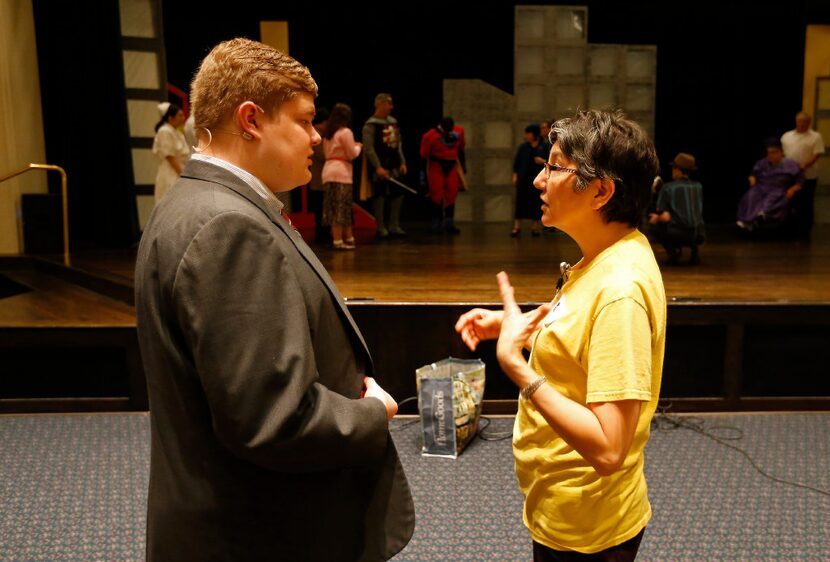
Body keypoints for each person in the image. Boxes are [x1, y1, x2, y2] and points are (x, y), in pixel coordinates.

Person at [134, 38, 414, 561]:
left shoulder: (196, 203)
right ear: (251, 119)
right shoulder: (227, 226)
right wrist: (372, 412)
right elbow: (273, 419)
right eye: (305, 120)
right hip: (257, 532)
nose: (316, 136)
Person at [456, 109, 665, 561]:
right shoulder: (607, 255)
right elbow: (584, 347)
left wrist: (517, 367)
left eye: (553, 166)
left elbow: (609, 449)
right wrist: (517, 329)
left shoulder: (620, 291)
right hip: (567, 507)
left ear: (601, 191)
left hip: (588, 524)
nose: (538, 180)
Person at [363, 93, 407, 238]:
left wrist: (402, 162)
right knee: (380, 195)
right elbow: (369, 149)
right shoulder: (370, 124)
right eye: (389, 104)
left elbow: (398, 144)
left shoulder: (393, 122)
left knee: (398, 194)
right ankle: (381, 226)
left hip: (394, 164)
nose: (391, 107)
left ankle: (394, 225)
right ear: (381, 104)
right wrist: (378, 166)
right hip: (380, 164)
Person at [737, 137, 804, 233]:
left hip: (779, 188)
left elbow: (800, 180)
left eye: (773, 152)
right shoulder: (762, 163)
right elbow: (753, 173)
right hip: (761, 187)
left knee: (774, 198)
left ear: (781, 153)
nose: (770, 155)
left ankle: (762, 214)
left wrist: (793, 189)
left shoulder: (791, 164)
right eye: (769, 152)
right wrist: (752, 178)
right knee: (750, 196)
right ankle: (747, 220)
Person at [648, 152, 705, 265]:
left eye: (674, 168)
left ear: (678, 170)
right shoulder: (698, 187)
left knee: (655, 224)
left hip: (678, 234)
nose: (673, 171)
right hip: (699, 234)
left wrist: (657, 217)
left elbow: (663, 214)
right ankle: (694, 250)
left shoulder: (668, 188)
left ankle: (673, 252)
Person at [322, 103, 362, 250]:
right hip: (342, 173)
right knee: (342, 207)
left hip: (328, 171)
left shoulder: (328, 134)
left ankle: (344, 239)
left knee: (333, 207)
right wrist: (358, 146)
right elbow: (352, 154)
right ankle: (340, 240)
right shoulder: (345, 132)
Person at [781, 112, 825, 239]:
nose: (801, 124)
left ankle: (805, 232)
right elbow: (783, 154)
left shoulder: (815, 137)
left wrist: (803, 166)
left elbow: (816, 154)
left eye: (804, 121)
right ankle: (788, 229)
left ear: (809, 122)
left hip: (808, 176)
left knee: (806, 204)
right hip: (789, 176)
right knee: (789, 202)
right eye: (799, 121)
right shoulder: (786, 136)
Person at [420, 116, 466, 233]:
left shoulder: (459, 131)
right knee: (436, 193)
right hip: (437, 165)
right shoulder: (429, 136)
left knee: (452, 192)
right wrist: (423, 177)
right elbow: (424, 156)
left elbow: (461, 149)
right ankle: (436, 222)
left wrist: (464, 166)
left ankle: (449, 222)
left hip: (452, 164)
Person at [512, 123, 547, 237]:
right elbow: (517, 162)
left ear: (534, 134)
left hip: (537, 179)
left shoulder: (544, 146)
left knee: (536, 202)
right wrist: (515, 175)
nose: (526, 135)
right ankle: (517, 227)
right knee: (520, 202)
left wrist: (543, 161)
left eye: (529, 133)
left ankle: (535, 227)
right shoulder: (523, 147)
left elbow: (551, 161)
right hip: (523, 178)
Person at [151, 102, 189, 203]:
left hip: (179, 170)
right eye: (180, 115)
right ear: (170, 118)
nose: (183, 117)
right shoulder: (164, 131)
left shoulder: (175, 131)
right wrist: (183, 175)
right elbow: (169, 157)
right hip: (170, 173)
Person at [308, 106, 330, 244]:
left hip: (321, 178)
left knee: (322, 209)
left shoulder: (322, 136)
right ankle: (321, 236)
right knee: (320, 210)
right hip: (319, 179)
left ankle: (323, 235)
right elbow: (323, 156)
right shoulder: (316, 136)